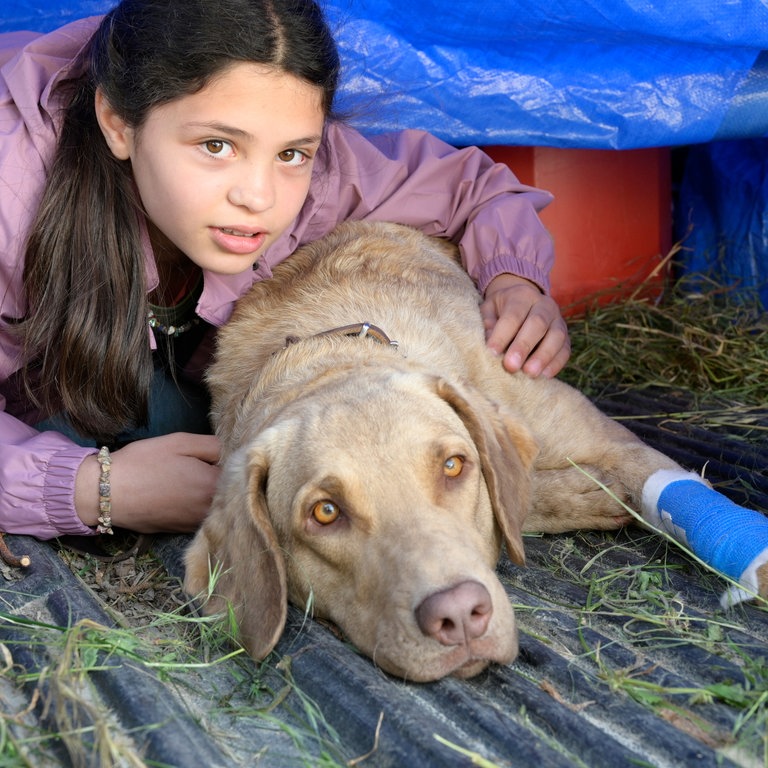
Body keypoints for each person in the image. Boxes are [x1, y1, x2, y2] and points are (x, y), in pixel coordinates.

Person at [0, 0, 570, 541]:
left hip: (130, 372)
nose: (259, 196)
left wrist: (514, 279)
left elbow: (474, 189)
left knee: (185, 421)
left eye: (292, 153)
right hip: (35, 403)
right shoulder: (13, 192)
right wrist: (97, 490)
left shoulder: (316, 177)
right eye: (217, 145)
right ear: (118, 122)